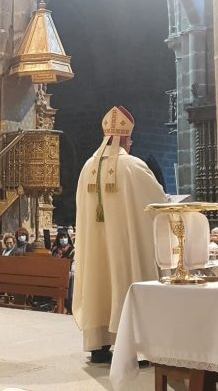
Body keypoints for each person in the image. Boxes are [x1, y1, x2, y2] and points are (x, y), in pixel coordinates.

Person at [74, 105, 167, 364]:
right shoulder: (133, 166)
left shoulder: (87, 167)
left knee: (98, 281)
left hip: (95, 248)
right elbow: (158, 204)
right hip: (125, 248)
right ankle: (136, 346)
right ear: (126, 140)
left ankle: (99, 345)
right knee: (126, 279)